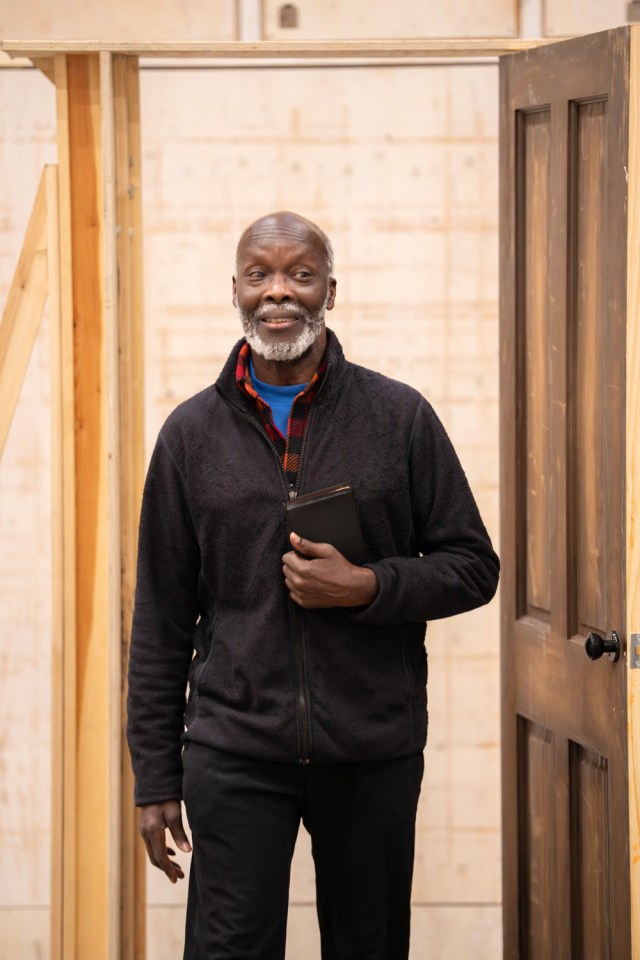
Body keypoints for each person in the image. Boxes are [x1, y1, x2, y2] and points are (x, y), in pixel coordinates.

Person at [127, 211, 499, 960]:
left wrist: (368, 586)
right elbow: (162, 618)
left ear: (332, 289)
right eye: (260, 274)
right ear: (234, 289)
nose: (279, 293)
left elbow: (473, 565)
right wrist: (155, 774)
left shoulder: (399, 418)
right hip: (235, 749)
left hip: (371, 750)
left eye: (300, 274)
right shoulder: (190, 437)